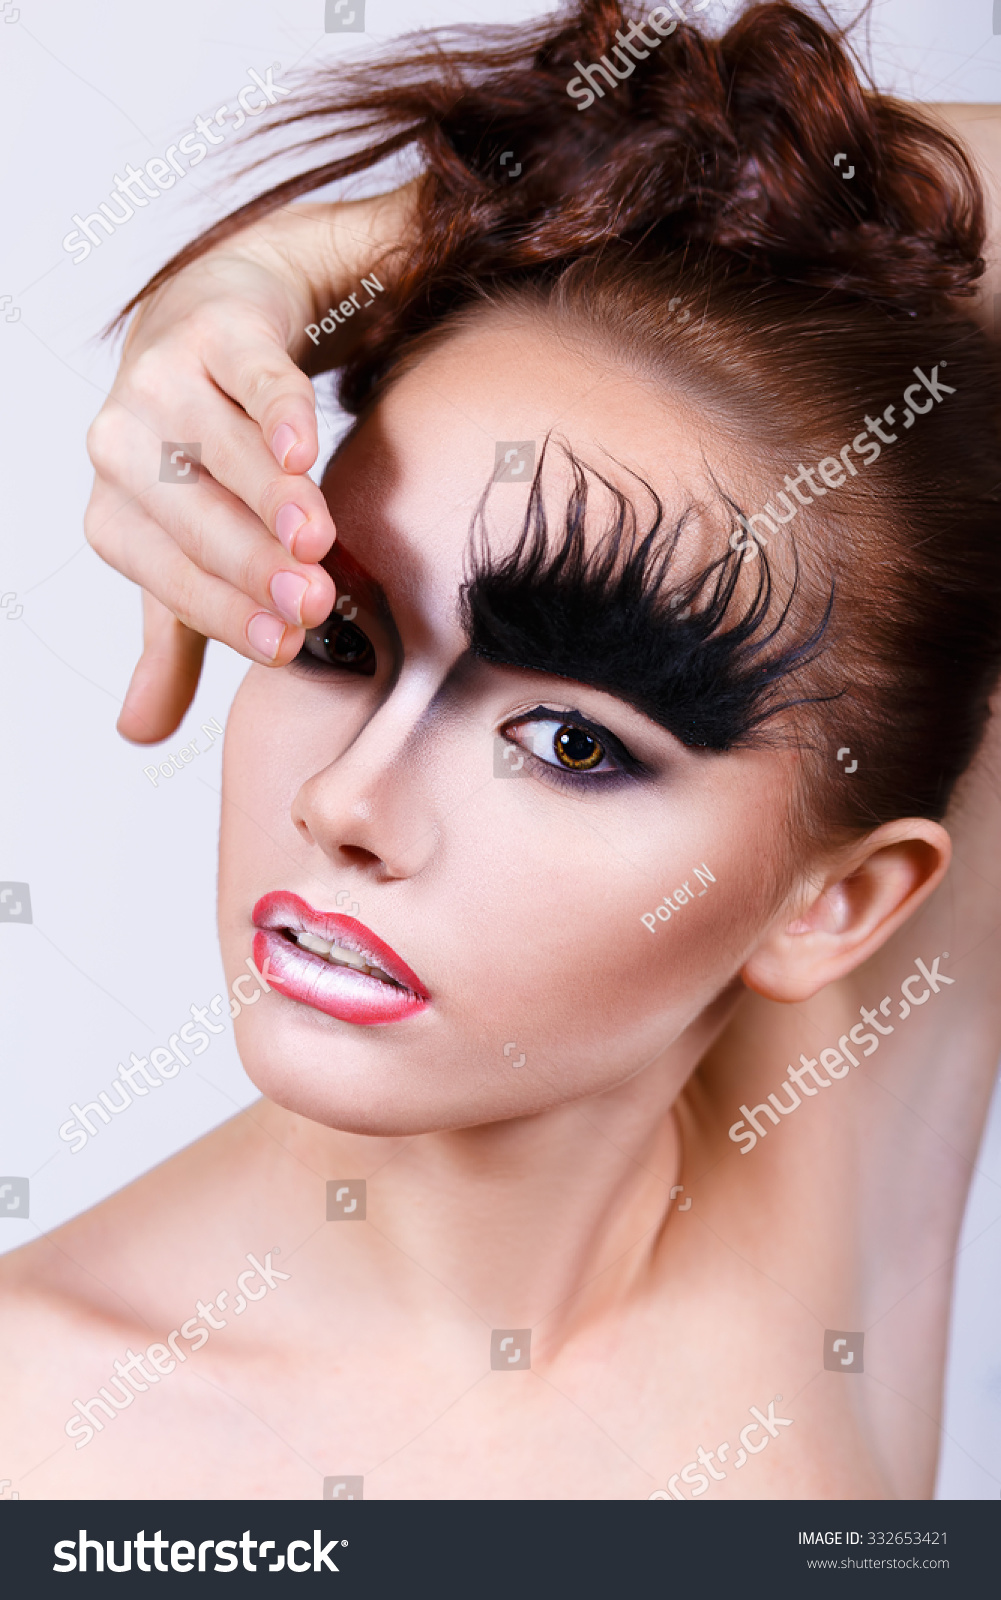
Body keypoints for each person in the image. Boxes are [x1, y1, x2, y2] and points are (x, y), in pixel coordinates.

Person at [4, 1, 1001, 1501]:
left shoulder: (817, 1149)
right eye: (344, 641)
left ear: (837, 904)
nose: (346, 804)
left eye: (567, 740)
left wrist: (283, 267)